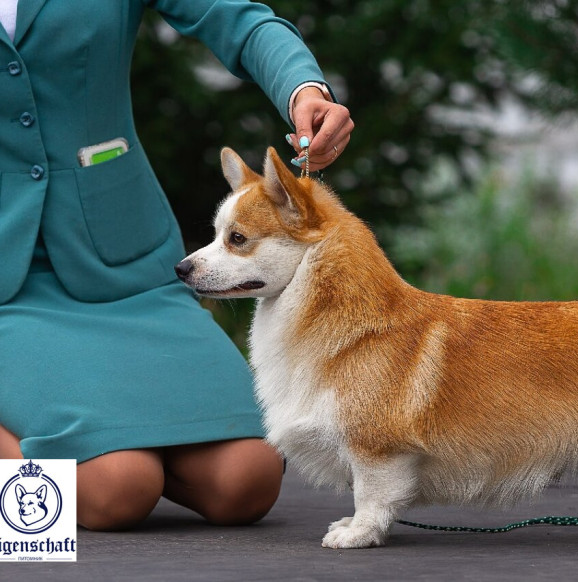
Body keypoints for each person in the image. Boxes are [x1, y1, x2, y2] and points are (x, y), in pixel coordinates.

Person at [0, 0, 353, 530]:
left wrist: (304, 89)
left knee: (247, 481)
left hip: (122, 261)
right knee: (117, 488)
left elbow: (233, 16)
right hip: (10, 289)